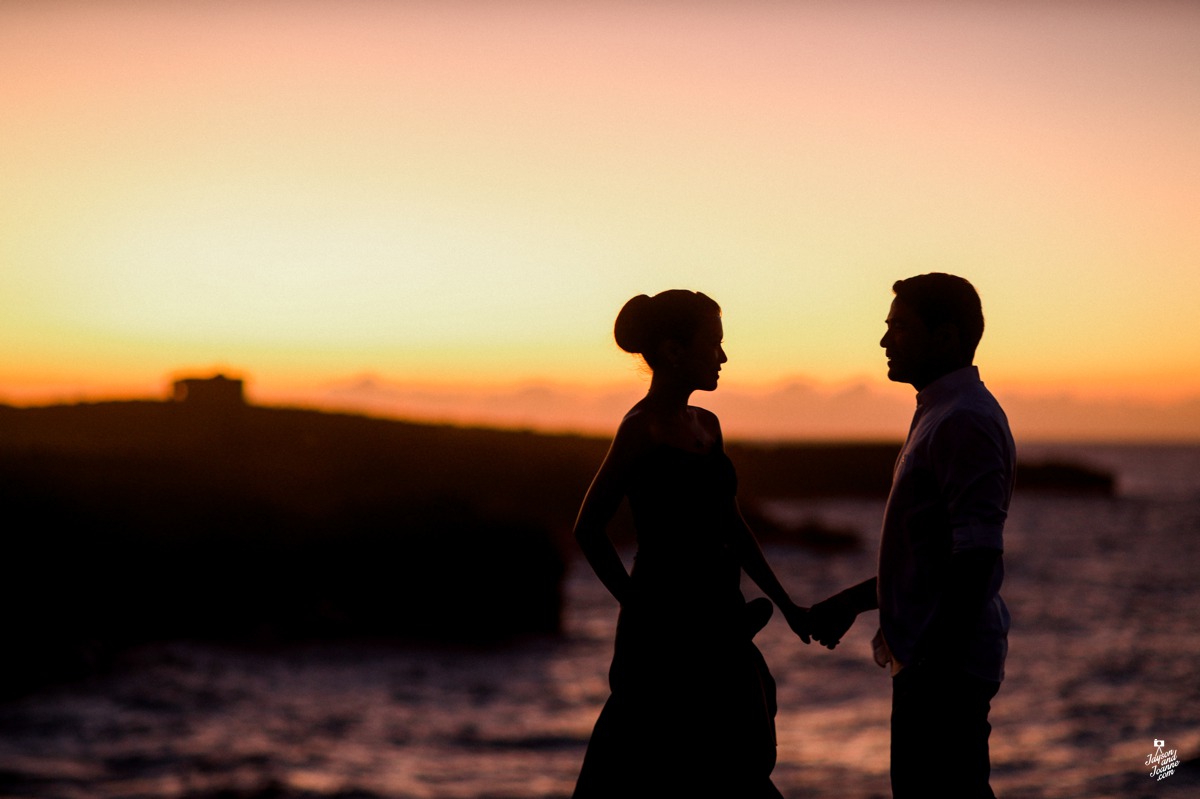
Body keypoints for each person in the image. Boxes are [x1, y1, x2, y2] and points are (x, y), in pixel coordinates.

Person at [572, 290, 810, 799]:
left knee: (738, 764)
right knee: (661, 770)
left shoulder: (708, 425)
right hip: (665, 635)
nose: (723, 357)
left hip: (722, 620)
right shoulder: (641, 429)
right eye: (715, 344)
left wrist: (789, 605)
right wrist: (640, 608)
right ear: (674, 351)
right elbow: (588, 528)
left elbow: (732, 524)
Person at [807, 273, 1014, 798]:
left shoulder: (963, 420)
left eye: (899, 327)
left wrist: (930, 666)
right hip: (932, 665)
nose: (884, 341)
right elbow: (929, 558)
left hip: (944, 673)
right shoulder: (940, 411)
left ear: (945, 337)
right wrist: (853, 603)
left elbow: (976, 557)